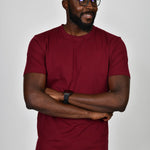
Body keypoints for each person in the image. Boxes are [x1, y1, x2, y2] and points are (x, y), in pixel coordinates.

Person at [23, 0, 130, 150]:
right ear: (65, 3)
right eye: (82, 0)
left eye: (93, 1)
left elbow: (119, 100)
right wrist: (89, 113)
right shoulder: (41, 42)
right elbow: (33, 98)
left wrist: (63, 96)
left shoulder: (113, 44)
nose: (90, 6)